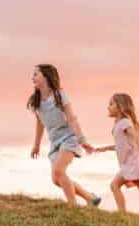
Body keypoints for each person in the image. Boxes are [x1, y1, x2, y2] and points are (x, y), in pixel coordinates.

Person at [28, 64, 101, 207]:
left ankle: (72, 207)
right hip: (55, 142)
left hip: (69, 138)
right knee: (56, 179)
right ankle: (90, 198)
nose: (32, 78)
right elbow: (40, 123)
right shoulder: (36, 101)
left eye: (36, 74)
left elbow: (72, 119)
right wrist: (36, 145)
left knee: (59, 171)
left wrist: (82, 140)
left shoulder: (59, 96)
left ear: (46, 77)